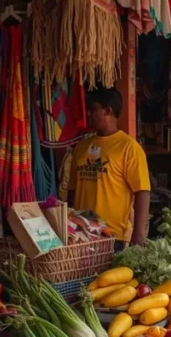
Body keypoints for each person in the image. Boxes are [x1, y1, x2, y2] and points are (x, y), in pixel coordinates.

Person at [63, 87, 151, 246]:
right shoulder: (81, 147)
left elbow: (142, 191)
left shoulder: (129, 148)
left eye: (93, 110)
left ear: (108, 111)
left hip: (111, 235)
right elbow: (72, 190)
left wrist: (138, 233)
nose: (88, 115)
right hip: (80, 234)